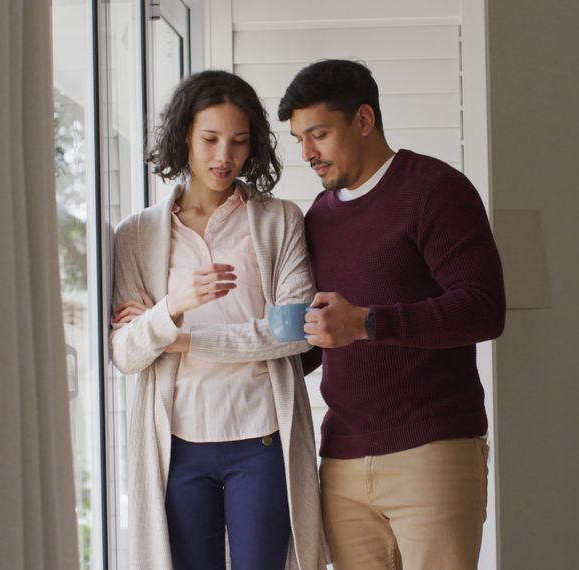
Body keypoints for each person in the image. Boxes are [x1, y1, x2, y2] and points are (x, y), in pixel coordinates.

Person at [277, 59, 507, 569]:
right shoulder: (318, 215)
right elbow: (323, 332)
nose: (308, 153)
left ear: (363, 119)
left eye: (318, 134)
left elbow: (484, 309)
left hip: (433, 449)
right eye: (299, 139)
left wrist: (366, 323)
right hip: (341, 458)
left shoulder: (435, 190)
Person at [109, 70, 327, 570]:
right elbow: (125, 352)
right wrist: (174, 304)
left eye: (238, 142)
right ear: (184, 134)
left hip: (261, 437)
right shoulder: (137, 235)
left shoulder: (279, 220)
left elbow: (292, 334)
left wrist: (180, 339)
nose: (223, 157)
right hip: (178, 445)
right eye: (209, 139)